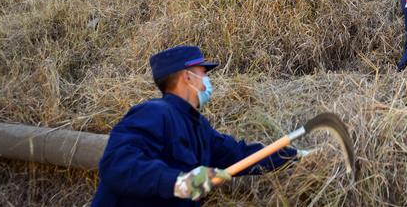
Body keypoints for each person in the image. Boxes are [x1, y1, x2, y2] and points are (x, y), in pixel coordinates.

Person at [91, 45, 298, 206]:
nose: (207, 81)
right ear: (188, 77)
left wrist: (296, 156)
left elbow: (239, 154)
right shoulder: (153, 113)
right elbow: (117, 163)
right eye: (204, 73)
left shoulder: (198, 126)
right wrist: (179, 182)